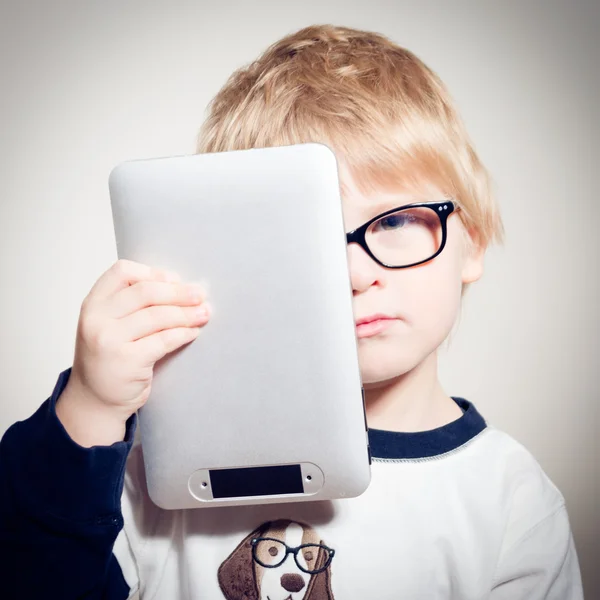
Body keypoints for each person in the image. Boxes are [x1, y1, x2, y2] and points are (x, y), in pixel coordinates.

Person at [0, 24, 584, 599]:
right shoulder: (159, 474)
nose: (357, 274)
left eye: (398, 220)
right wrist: (88, 410)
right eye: (309, 238)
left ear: (472, 243)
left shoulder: (512, 501)